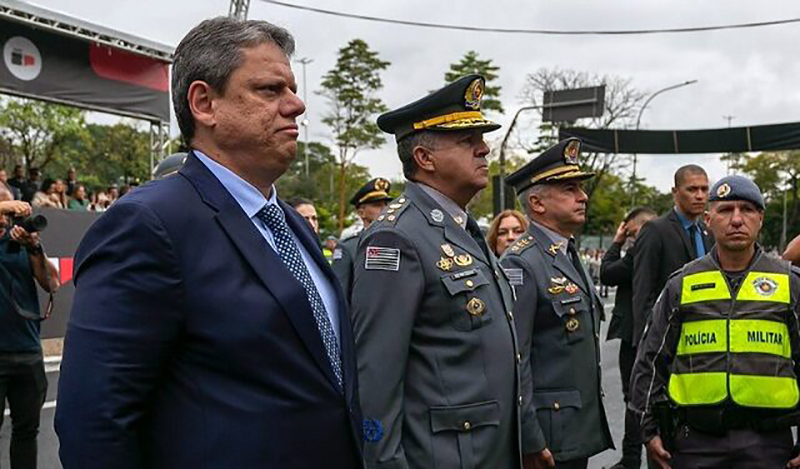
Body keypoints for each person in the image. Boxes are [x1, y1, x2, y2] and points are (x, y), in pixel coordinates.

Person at [55, 17, 362, 469]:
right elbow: (94, 423)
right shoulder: (149, 223)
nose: (296, 105)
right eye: (270, 90)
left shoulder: (293, 224)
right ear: (204, 103)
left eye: (292, 89)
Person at [351, 75, 524, 468]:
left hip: (490, 449)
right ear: (425, 159)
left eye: (480, 139)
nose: (484, 149)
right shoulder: (397, 238)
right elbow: (376, 375)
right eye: (468, 142)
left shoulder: (464, 228)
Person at [629, 175, 800, 469]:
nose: (736, 220)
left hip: (769, 446)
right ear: (708, 219)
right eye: (725, 210)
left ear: (760, 218)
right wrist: (648, 431)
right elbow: (651, 360)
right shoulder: (681, 285)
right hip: (695, 443)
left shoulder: (790, 283)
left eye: (746, 210)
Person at [501, 138, 613, 469]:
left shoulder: (565, 252)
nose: (583, 196)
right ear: (536, 203)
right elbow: (515, 359)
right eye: (569, 189)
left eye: (580, 187)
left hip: (573, 427)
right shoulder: (521, 263)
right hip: (548, 434)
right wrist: (530, 436)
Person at [0, 185, 59, 469]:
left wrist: (34, 246)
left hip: (27, 353)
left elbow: (52, 283)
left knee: (27, 433)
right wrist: (7, 206)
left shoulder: (22, 244)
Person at [632, 165, 714, 349]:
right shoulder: (655, 230)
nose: (700, 195)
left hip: (705, 336)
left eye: (704, 189)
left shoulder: (708, 232)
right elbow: (643, 291)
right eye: (692, 189)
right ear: (675, 192)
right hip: (667, 335)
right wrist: (647, 344)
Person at [599, 207, 656, 469]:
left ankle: (632, 457)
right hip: (645, 332)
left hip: (636, 334)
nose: (631, 237)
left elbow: (607, 273)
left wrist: (617, 242)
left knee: (634, 398)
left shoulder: (638, 250)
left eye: (631, 232)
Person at [331, 177, 392, 299]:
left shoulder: (397, 244)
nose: (384, 209)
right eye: (377, 205)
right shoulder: (348, 248)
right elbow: (340, 295)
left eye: (386, 204)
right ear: (361, 213)